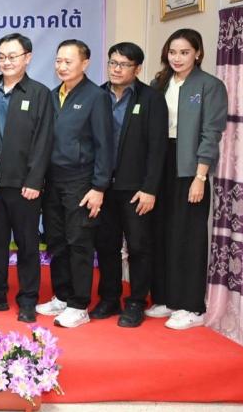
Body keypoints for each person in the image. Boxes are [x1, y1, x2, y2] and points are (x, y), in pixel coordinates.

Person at [148, 29, 228, 330]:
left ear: (198, 53)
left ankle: (191, 306)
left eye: (184, 52)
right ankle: (167, 298)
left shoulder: (210, 85)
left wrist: (200, 176)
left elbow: (211, 134)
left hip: (190, 168)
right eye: (173, 52)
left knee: (188, 235)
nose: (177, 58)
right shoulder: (160, 84)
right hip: (161, 164)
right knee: (160, 232)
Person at [36, 39, 113, 328]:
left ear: (85, 63)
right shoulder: (52, 95)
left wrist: (99, 187)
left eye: (68, 61)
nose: (62, 66)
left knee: (79, 242)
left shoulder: (96, 97)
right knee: (56, 241)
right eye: (58, 61)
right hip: (53, 180)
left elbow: (105, 145)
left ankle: (79, 305)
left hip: (81, 181)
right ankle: (63, 295)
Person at [91, 43, 167, 328]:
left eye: (123, 64)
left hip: (135, 188)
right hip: (102, 186)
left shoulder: (150, 99)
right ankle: (109, 298)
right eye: (112, 63)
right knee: (106, 245)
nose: (116, 69)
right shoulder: (97, 95)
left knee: (138, 246)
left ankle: (136, 302)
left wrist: (150, 189)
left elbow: (158, 148)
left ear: (137, 68)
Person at [0, 33, 53, 323]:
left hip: (24, 186)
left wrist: (35, 181)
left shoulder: (39, 93)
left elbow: (43, 140)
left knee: (27, 245)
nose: (6, 62)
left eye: (12, 56)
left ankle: (28, 299)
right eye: (2, 56)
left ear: (27, 58)